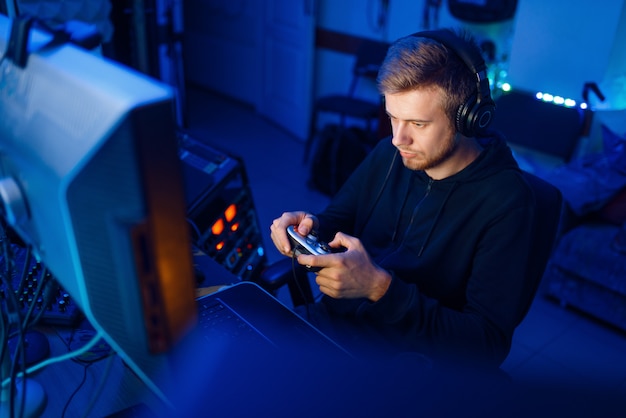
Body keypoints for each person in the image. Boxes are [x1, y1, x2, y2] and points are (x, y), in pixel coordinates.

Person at [270, 29, 537, 370]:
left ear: (467, 118)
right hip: (330, 330)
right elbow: (339, 216)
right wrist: (309, 226)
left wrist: (379, 289)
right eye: (393, 117)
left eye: (418, 123)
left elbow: (487, 345)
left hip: (409, 367)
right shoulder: (389, 153)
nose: (398, 138)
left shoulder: (508, 203)